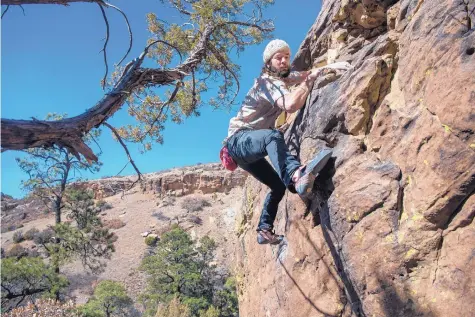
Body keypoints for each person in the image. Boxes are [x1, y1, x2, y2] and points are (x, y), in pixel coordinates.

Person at [222, 39, 351, 245]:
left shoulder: (282, 78)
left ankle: (264, 229)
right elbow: (290, 104)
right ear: (268, 62)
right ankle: (296, 175)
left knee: (277, 186)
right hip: (238, 141)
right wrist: (308, 84)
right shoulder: (266, 81)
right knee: (273, 137)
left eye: (286, 57)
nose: (283, 61)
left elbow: (304, 75)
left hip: (246, 151)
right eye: (278, 58)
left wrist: (329, 67)